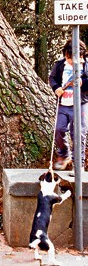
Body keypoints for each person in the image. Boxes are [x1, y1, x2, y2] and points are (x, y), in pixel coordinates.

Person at [49, 39, 88, 171]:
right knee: (59, 129)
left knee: (78, 133)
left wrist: (83, 83)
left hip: (81, 104)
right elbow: (52, 78)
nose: (76, 61)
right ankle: (64, 154)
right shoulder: (60, 65)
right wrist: (56, 88)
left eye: (80, 57)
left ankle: (79, 164)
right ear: (66, 55)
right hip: (63, 104)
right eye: (72, 58)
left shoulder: (86, 66)